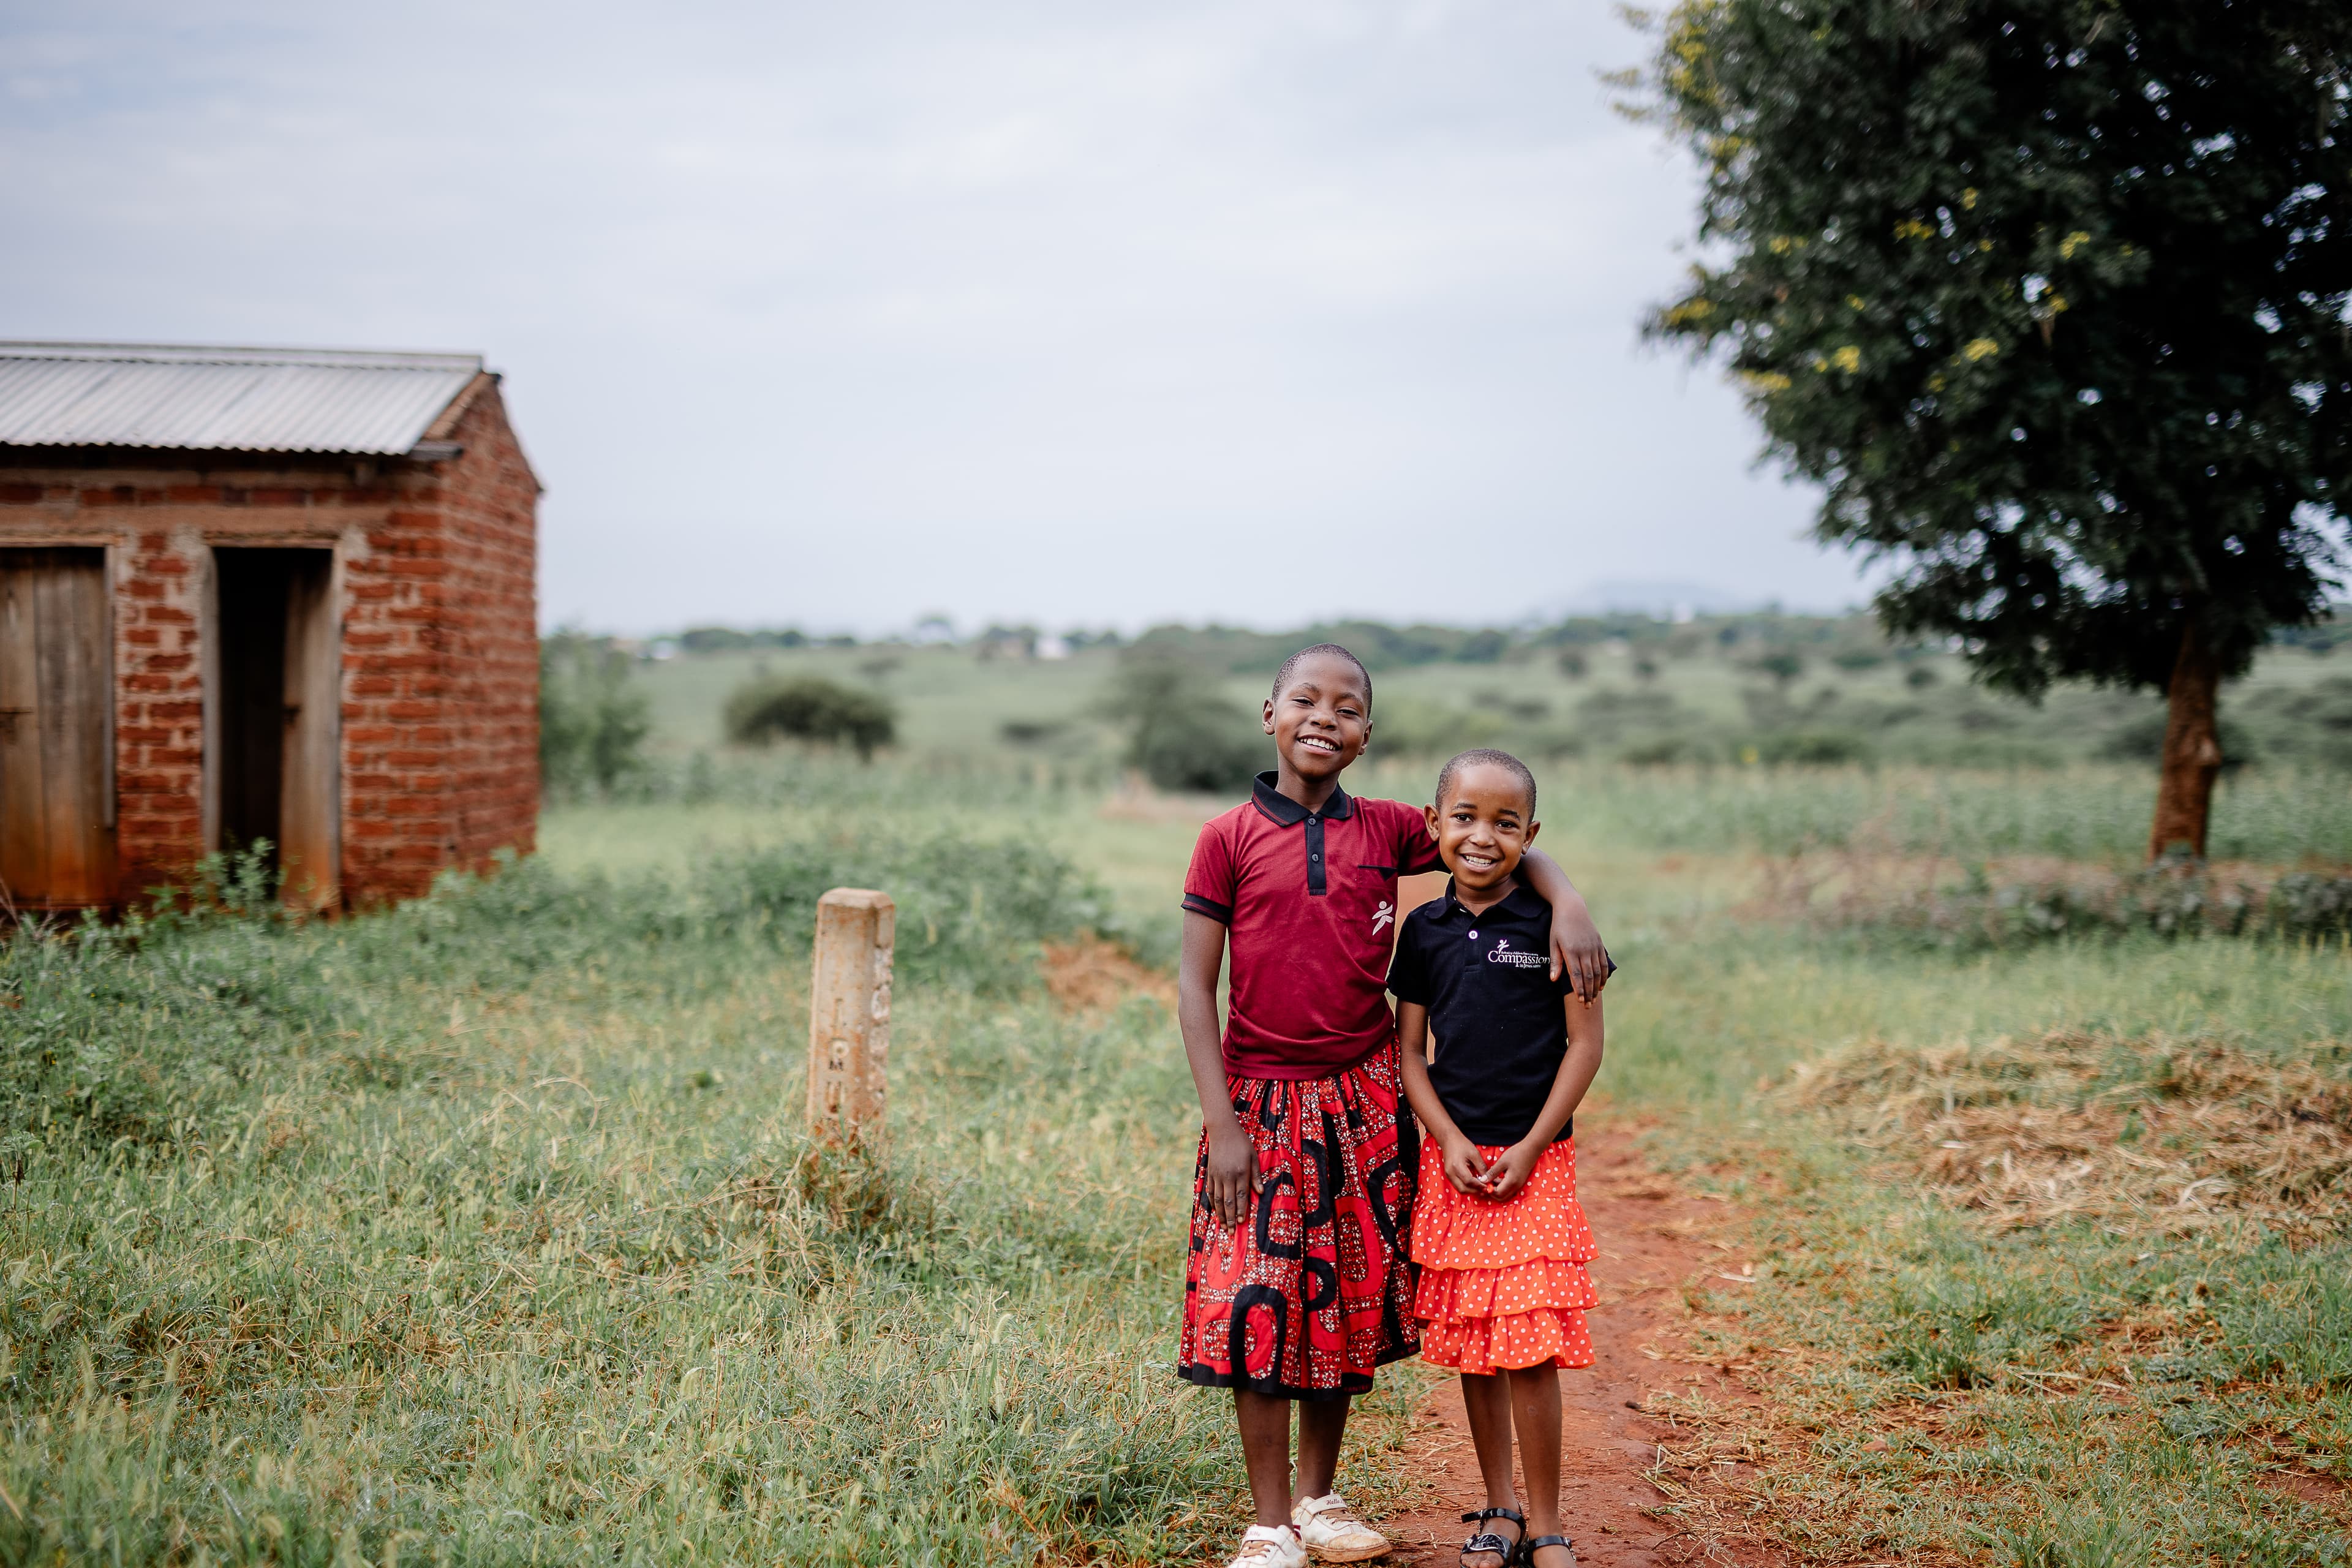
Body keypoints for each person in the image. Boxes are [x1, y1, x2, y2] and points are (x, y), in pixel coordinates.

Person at [1177, 648, 1613, 1568]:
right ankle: (1269, 1523)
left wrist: (1567, 899)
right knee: (1257, 1296)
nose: (1324, 718)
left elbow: (1491, 845)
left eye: (1348, 708)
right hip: (1256, 1102)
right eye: (1306, 700)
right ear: (1269, 713)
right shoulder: (1224, 836)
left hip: (1365, 1099)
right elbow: (1192, 986)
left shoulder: (1385, 828)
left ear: (1369, 735)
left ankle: (1320, 1500)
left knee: (1336, 1295)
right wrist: (1221, 1124)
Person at [1390, 748, 1607, 1568]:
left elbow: (1585, 1048)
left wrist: (1533, 1143)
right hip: (1456, 1166)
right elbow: (1410, 1054)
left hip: (1536, 1162)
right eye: (1465, 818)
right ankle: (1499, 1511)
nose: (1483, 836)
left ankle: (1548, 1522)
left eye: (1505, 823)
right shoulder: (1425, 932)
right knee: (1478, 1344)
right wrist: (1445, 1140)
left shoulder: (1556, 926)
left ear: (1531, 835)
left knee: (1531, 1346)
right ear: (1433, 826)